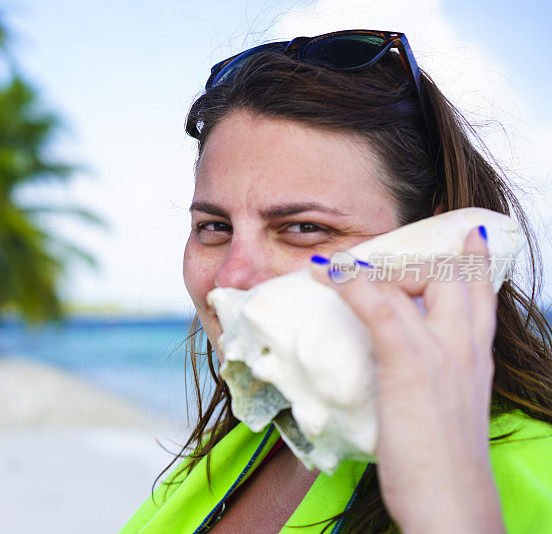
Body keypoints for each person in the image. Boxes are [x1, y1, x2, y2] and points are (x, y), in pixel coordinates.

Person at [119, 30, 552, 533]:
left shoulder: (531, 477)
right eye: (215, 227)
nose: (232, 276)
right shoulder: (247, 440)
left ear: (433, 246)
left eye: (304, 228)